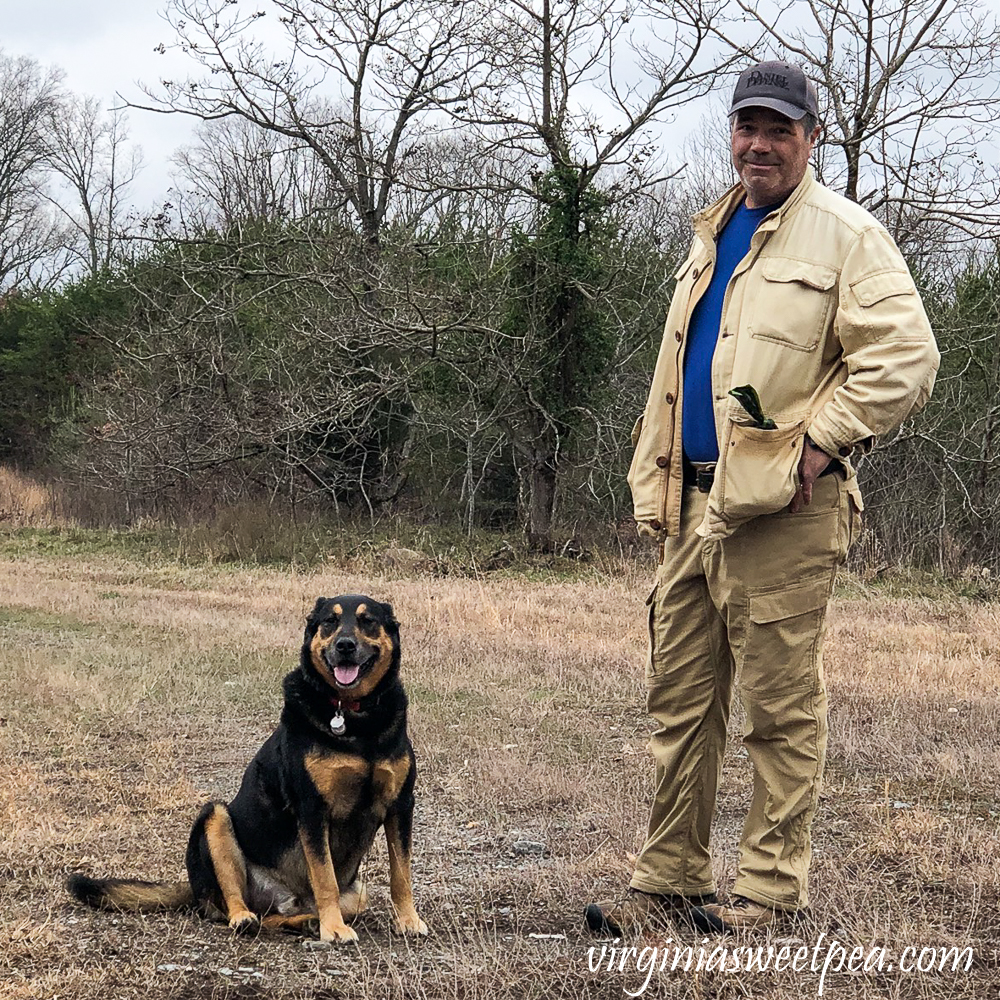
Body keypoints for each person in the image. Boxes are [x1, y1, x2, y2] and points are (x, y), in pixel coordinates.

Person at [585, 60, 939, 935]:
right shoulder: (713, 231)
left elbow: (906, 358)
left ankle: (771, 893)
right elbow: (678, 374)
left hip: (783, 513)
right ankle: (669, 879)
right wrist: (655, 484)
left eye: (780, 130)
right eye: (748, 127)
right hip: (692, 509)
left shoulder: (846, 236)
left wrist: (822, 440)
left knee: (779, 710)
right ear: (732, 135)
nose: (760, 145)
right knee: (680, 702)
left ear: (811, 138)